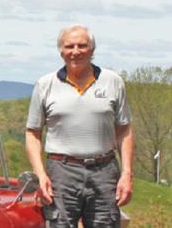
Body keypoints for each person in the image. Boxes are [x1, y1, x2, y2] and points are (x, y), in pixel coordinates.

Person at [25, 24, 134, 228]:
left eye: (82, 46)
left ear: (92, 50)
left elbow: (124, 129)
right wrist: (40, 175)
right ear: (61, 51)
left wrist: (127, 173)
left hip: (104, 171)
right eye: (69, 46)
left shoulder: (113, 82)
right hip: (61, 172)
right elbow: (33, 133)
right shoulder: (45, 85)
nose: (76, 52)